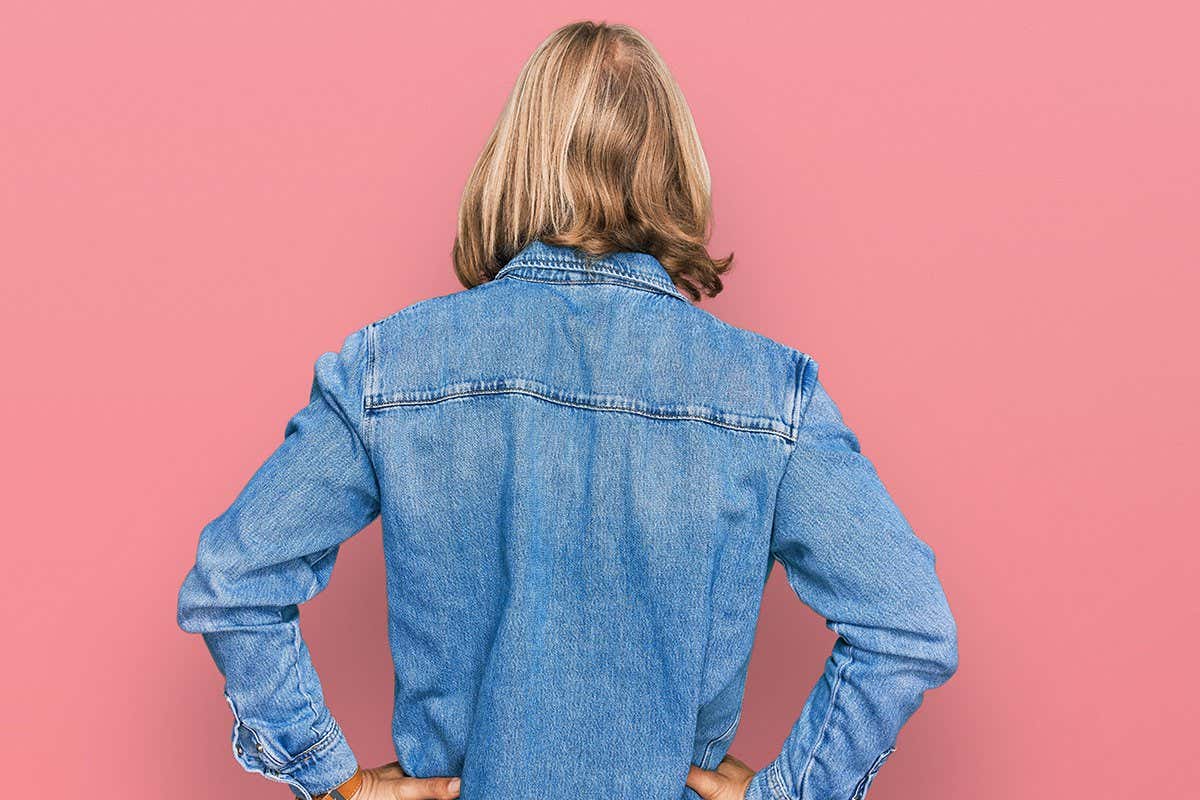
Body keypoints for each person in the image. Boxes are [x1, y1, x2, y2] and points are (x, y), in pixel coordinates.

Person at [176, 20, 958, 800]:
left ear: (516, 163)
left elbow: (233, 581)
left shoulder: (389, 370)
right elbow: (909, 626)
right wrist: (793, 792)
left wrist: (330, 779)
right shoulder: (770, 395)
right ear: (674, 166)